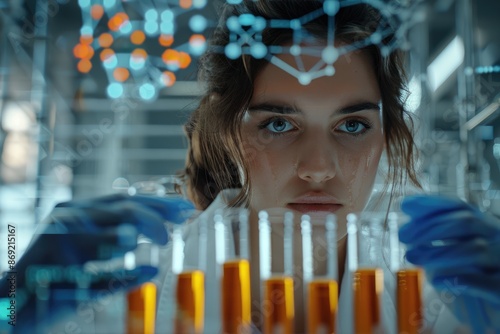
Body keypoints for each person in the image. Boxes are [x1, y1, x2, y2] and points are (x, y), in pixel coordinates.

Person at [0, 0, 499, 333]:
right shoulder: (129, 286)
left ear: (386, 135)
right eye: (279, 125)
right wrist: (5, 309)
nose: (319, 169)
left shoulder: (437, 301)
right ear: (230, 133)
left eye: (351, 126)